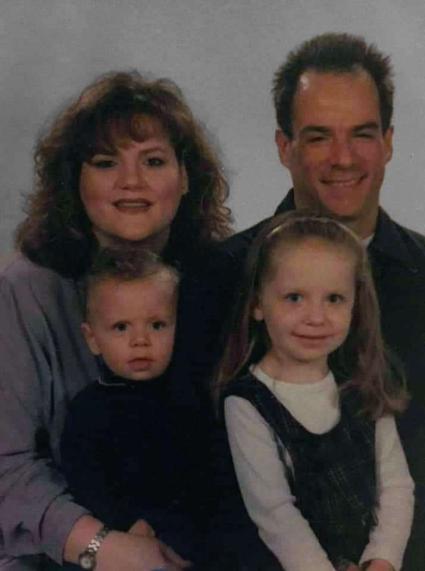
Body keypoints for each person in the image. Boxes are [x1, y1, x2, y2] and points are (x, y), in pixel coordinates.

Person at [0, 70, 231, 570]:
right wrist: (106, 548)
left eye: (153, 161)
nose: (132, 182)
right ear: (74, 180)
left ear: (185, 177)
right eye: (106, 163)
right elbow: (7, 466)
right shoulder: (25, 291)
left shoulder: (217, 283)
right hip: (59, 557)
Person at [218, 32, 425, 570]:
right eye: (317, 137)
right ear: (284, 147)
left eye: (362, 134)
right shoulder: (220, 275)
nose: (342, 158)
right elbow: (200, 477)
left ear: (388, 142)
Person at [216, 211, 414, 571]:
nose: (316, 317)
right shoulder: (247, 404)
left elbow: (397, 488)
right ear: (258, 303)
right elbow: (275, 515)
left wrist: (382, 560)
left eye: (334, 299)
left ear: (355, 304)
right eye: (294, 298)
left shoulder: (363, 385)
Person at [61, 247, 204, 568]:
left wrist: (166, 525)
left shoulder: (191, 400)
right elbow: (85, 483)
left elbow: (204, 478)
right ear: (92, 338)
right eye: (121, 327)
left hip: (188, 541)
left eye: (157, 325)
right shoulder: (88, 410)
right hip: (117, 542)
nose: (141, 340)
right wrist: (128, 525)